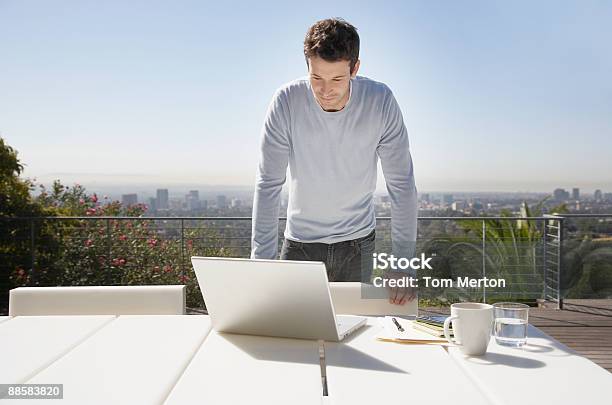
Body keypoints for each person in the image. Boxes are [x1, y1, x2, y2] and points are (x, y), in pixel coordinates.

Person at [251, 18, 417, 305]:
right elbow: (268, 184)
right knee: (290, 334)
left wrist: (402, 263)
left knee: (354, 335)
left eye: (337, 79)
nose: (325, 90)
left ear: (355, 69)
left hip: (358, 244)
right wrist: (261, 265)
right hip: (300, 245)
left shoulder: (381, 102)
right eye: (317, 78)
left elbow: (401, 186)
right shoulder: (286, 101)